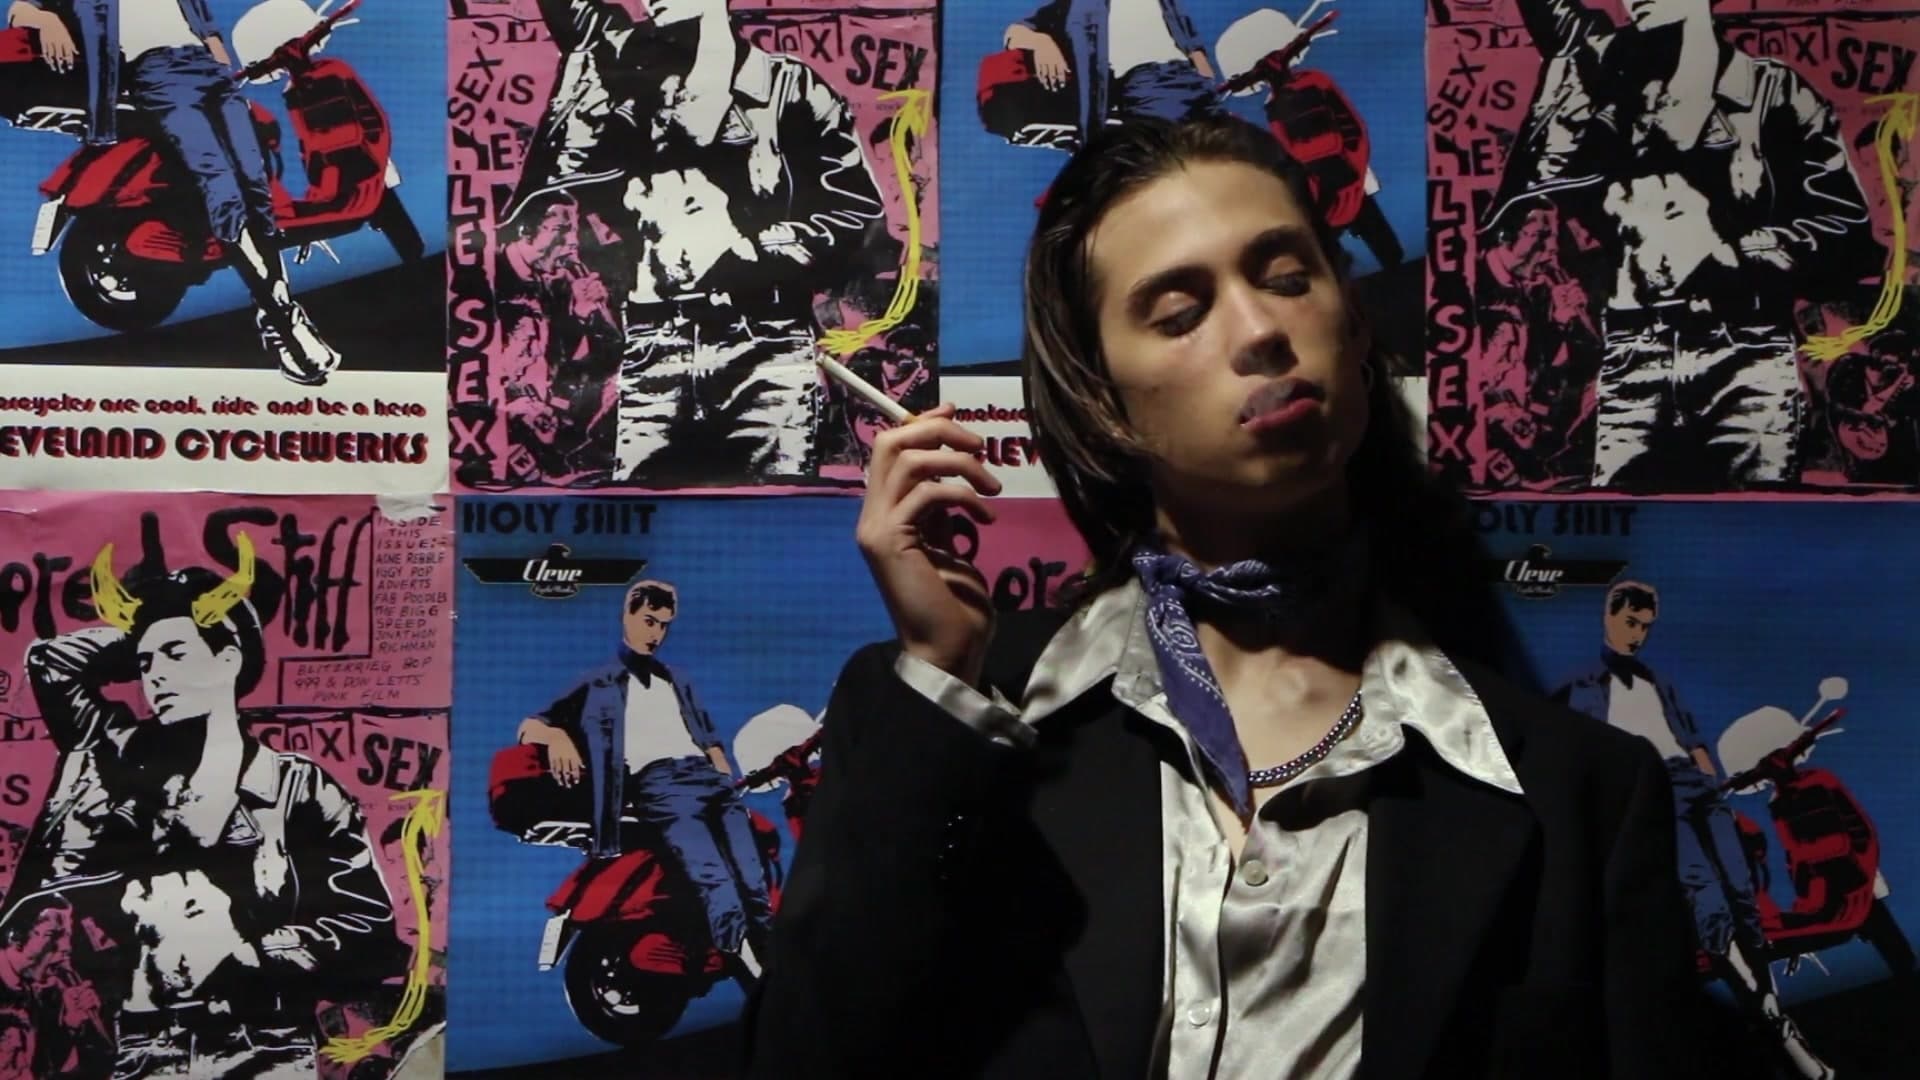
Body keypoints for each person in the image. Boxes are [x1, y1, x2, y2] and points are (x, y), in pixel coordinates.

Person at [744, 114, 1722, 1078]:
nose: (1260, 331)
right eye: (1180, 314)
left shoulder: (1580, 795)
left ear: (1353, 320)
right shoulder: (965, 726)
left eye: (1288, 277)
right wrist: (939, 680)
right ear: (1098, 397)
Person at [3, 534, 405, 1078]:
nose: (155, 676)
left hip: (265, 1044)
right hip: (138, 1045)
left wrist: (254, 953)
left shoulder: (295, 787)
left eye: (176, 655)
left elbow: (371, 928)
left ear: (229, 660)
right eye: (144, 663)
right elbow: (52, 662)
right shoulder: (119, 758)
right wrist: (151, 624)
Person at [1486, 0, 1880, 491]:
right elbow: (1526, 206)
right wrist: (1566, 102)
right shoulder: (1607, 89)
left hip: (1747, 351)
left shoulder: (1771, 91)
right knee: (1628, 518)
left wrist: (1739, 255)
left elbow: (1847, 228)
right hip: (1635, 350)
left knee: (1754, 520)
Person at [506, 0, 887, 486]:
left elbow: (857, 210)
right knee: (643, 508)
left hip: (767, 342)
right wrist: (585, 72)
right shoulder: (627, 88)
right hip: (654, 340)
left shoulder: (786, 86)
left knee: (775, 506)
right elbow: (551, 196)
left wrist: (757, 250)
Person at [1554, 582, 1832, 1079]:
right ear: (1609, 617)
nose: (1637, 635)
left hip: (1697, 786)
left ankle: (1768, 1004)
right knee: (1705, 893)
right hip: (1652, 788)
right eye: (1630, 623)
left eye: (1645, 627)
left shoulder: (1657, 680)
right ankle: (1774, 1024)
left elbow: (1691, 736)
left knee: (1742, 889)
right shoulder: (1582, 685)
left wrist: (1707, 776)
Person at [3, 0, 340, 384]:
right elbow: (20, 9)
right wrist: (46, 20)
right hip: (157, 73)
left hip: (208, 70)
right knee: (221, 185)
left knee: (256, 189)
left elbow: (197, 15)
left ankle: (275, 309)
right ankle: (285, 325)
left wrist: (213, 43)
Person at [516, 579, 774, 978]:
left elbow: (708, 736)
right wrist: (557, 738)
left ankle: (771, 957)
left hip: (711, 782)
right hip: (662, 785)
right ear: (628, 616)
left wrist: (719, 766)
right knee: (712, 874)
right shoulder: (597, 681)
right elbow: (531, 725)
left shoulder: (678, 679)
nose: (656, 633)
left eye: (664, 625)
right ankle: (744, 954)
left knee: (752, 876)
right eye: (649, 621)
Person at [1002, 0, 1220, 147]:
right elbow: (1015, 33)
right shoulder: (1079, 4)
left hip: (1193, 82)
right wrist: (1042, 42)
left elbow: (1187, 34)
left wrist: (1201, 66)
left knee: (1222, 152)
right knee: (1175, 160)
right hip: (1147, 83)